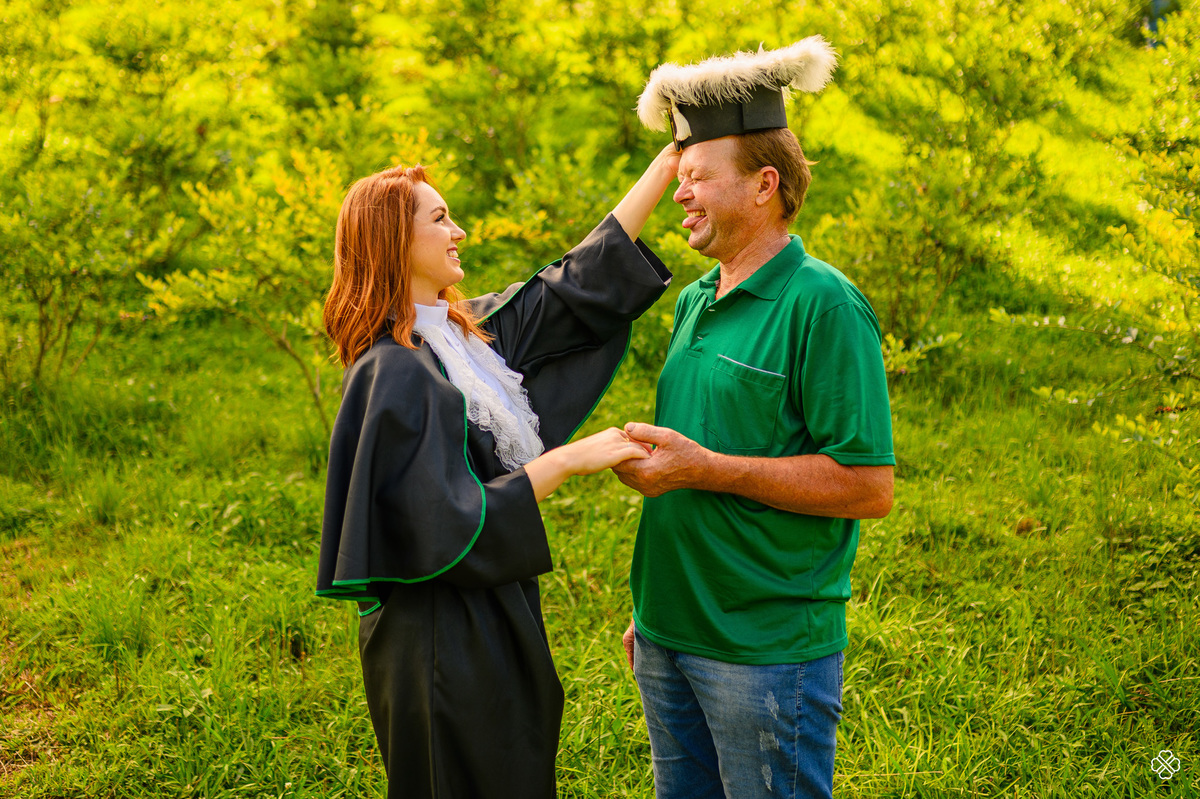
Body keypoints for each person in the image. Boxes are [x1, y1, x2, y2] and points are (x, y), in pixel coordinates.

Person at [317, 147, 678, 799]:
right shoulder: (393, 370)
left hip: (491, 611)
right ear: (395, 241)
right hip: (438, 642)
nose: (459, 232)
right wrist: (568, 460)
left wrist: (666, 166)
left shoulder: (461, 338)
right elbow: (447, 519)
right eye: (441, 219)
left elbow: (570, 289)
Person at [614, 39, 895, 799]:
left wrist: (706, 468)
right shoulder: (693, 299)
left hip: (765, 655)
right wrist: (652, 608)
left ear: (765, 183)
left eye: (698, 178)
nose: (680, 194)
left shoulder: (824, 304)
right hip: (670, 636)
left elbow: (868, 485)